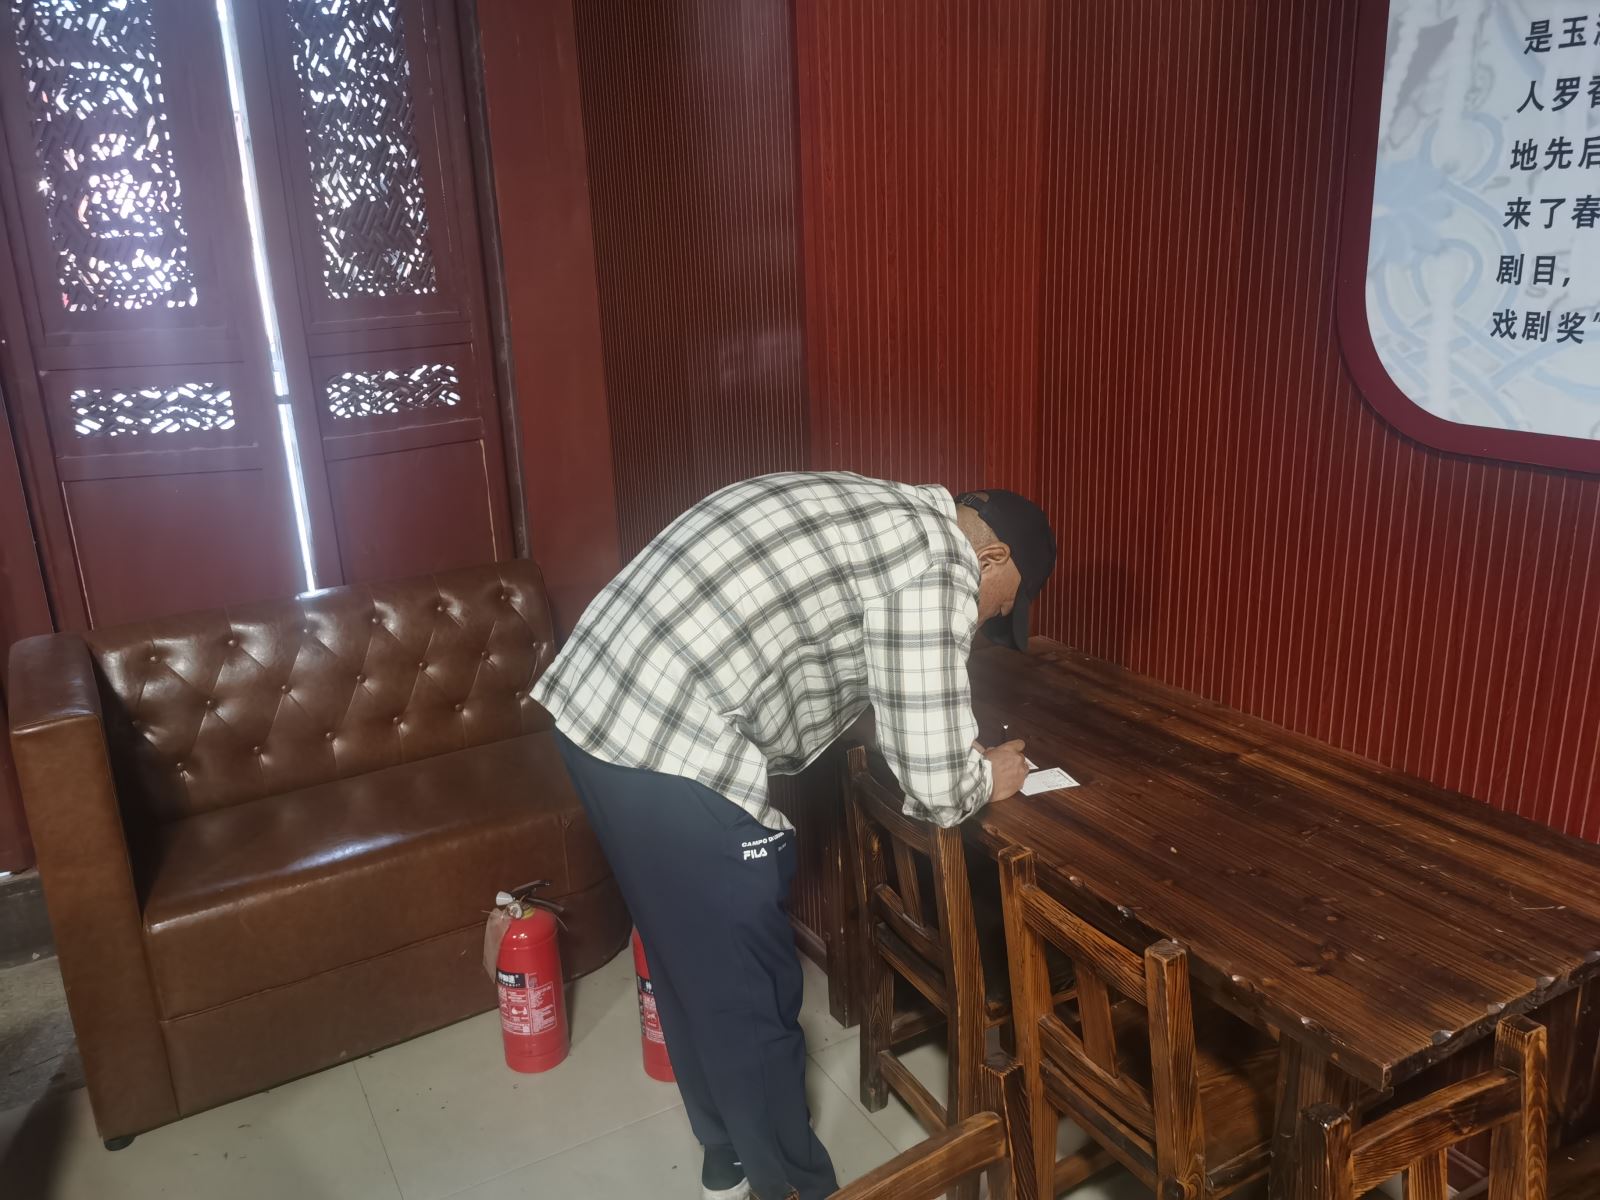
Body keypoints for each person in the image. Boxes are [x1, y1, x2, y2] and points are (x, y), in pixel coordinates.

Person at [534, 472, 1057, 1200]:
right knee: (753, 995)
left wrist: (932, 733)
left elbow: (854, 655)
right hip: (669, 743)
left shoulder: (883, 508)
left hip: (597, 709)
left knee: (688, 958)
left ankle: (726, 1156)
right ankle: (796, 1188)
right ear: (991, 557)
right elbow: (940, 790)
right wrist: (987, 775)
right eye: (998, 608)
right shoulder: (940, 561)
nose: (985, 624)